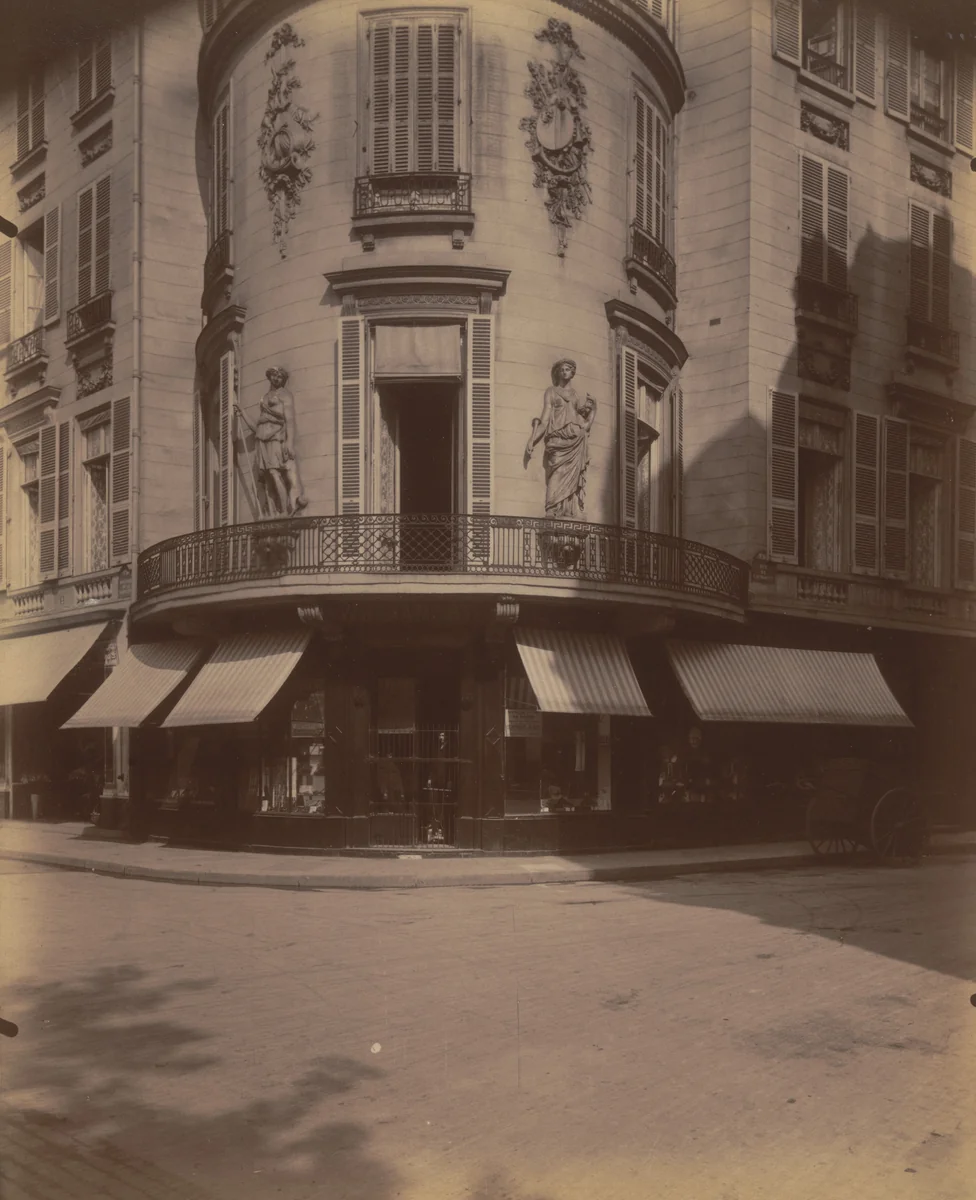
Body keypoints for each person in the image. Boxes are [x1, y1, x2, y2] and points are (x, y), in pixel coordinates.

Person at [524, 358, 597, 517]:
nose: (564, 372)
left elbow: (582, 419)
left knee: (572, 476)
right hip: (557, 439)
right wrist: (532, 440)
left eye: (567, 369)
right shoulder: (551, 391)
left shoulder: (575, 395)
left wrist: (593, 409)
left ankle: (569, 510)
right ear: (558, 373)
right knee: (556, 471)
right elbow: (544, 420)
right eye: (561, 370)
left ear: (572, 373)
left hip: (575, 439)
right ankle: (551, 508)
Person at [254, 367, 307, 516]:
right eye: (274, 375)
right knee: (266, 477)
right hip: (262, 438)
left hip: (275, 437)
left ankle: (284, 510)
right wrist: (242, 414)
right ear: (269, 376)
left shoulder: (285, 395)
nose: (277, 378)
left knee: (274, 472)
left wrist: (289, 443)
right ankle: (272, 513)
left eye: (280, 377)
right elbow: (258, 424)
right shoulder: (264, 397)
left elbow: (289, 419)